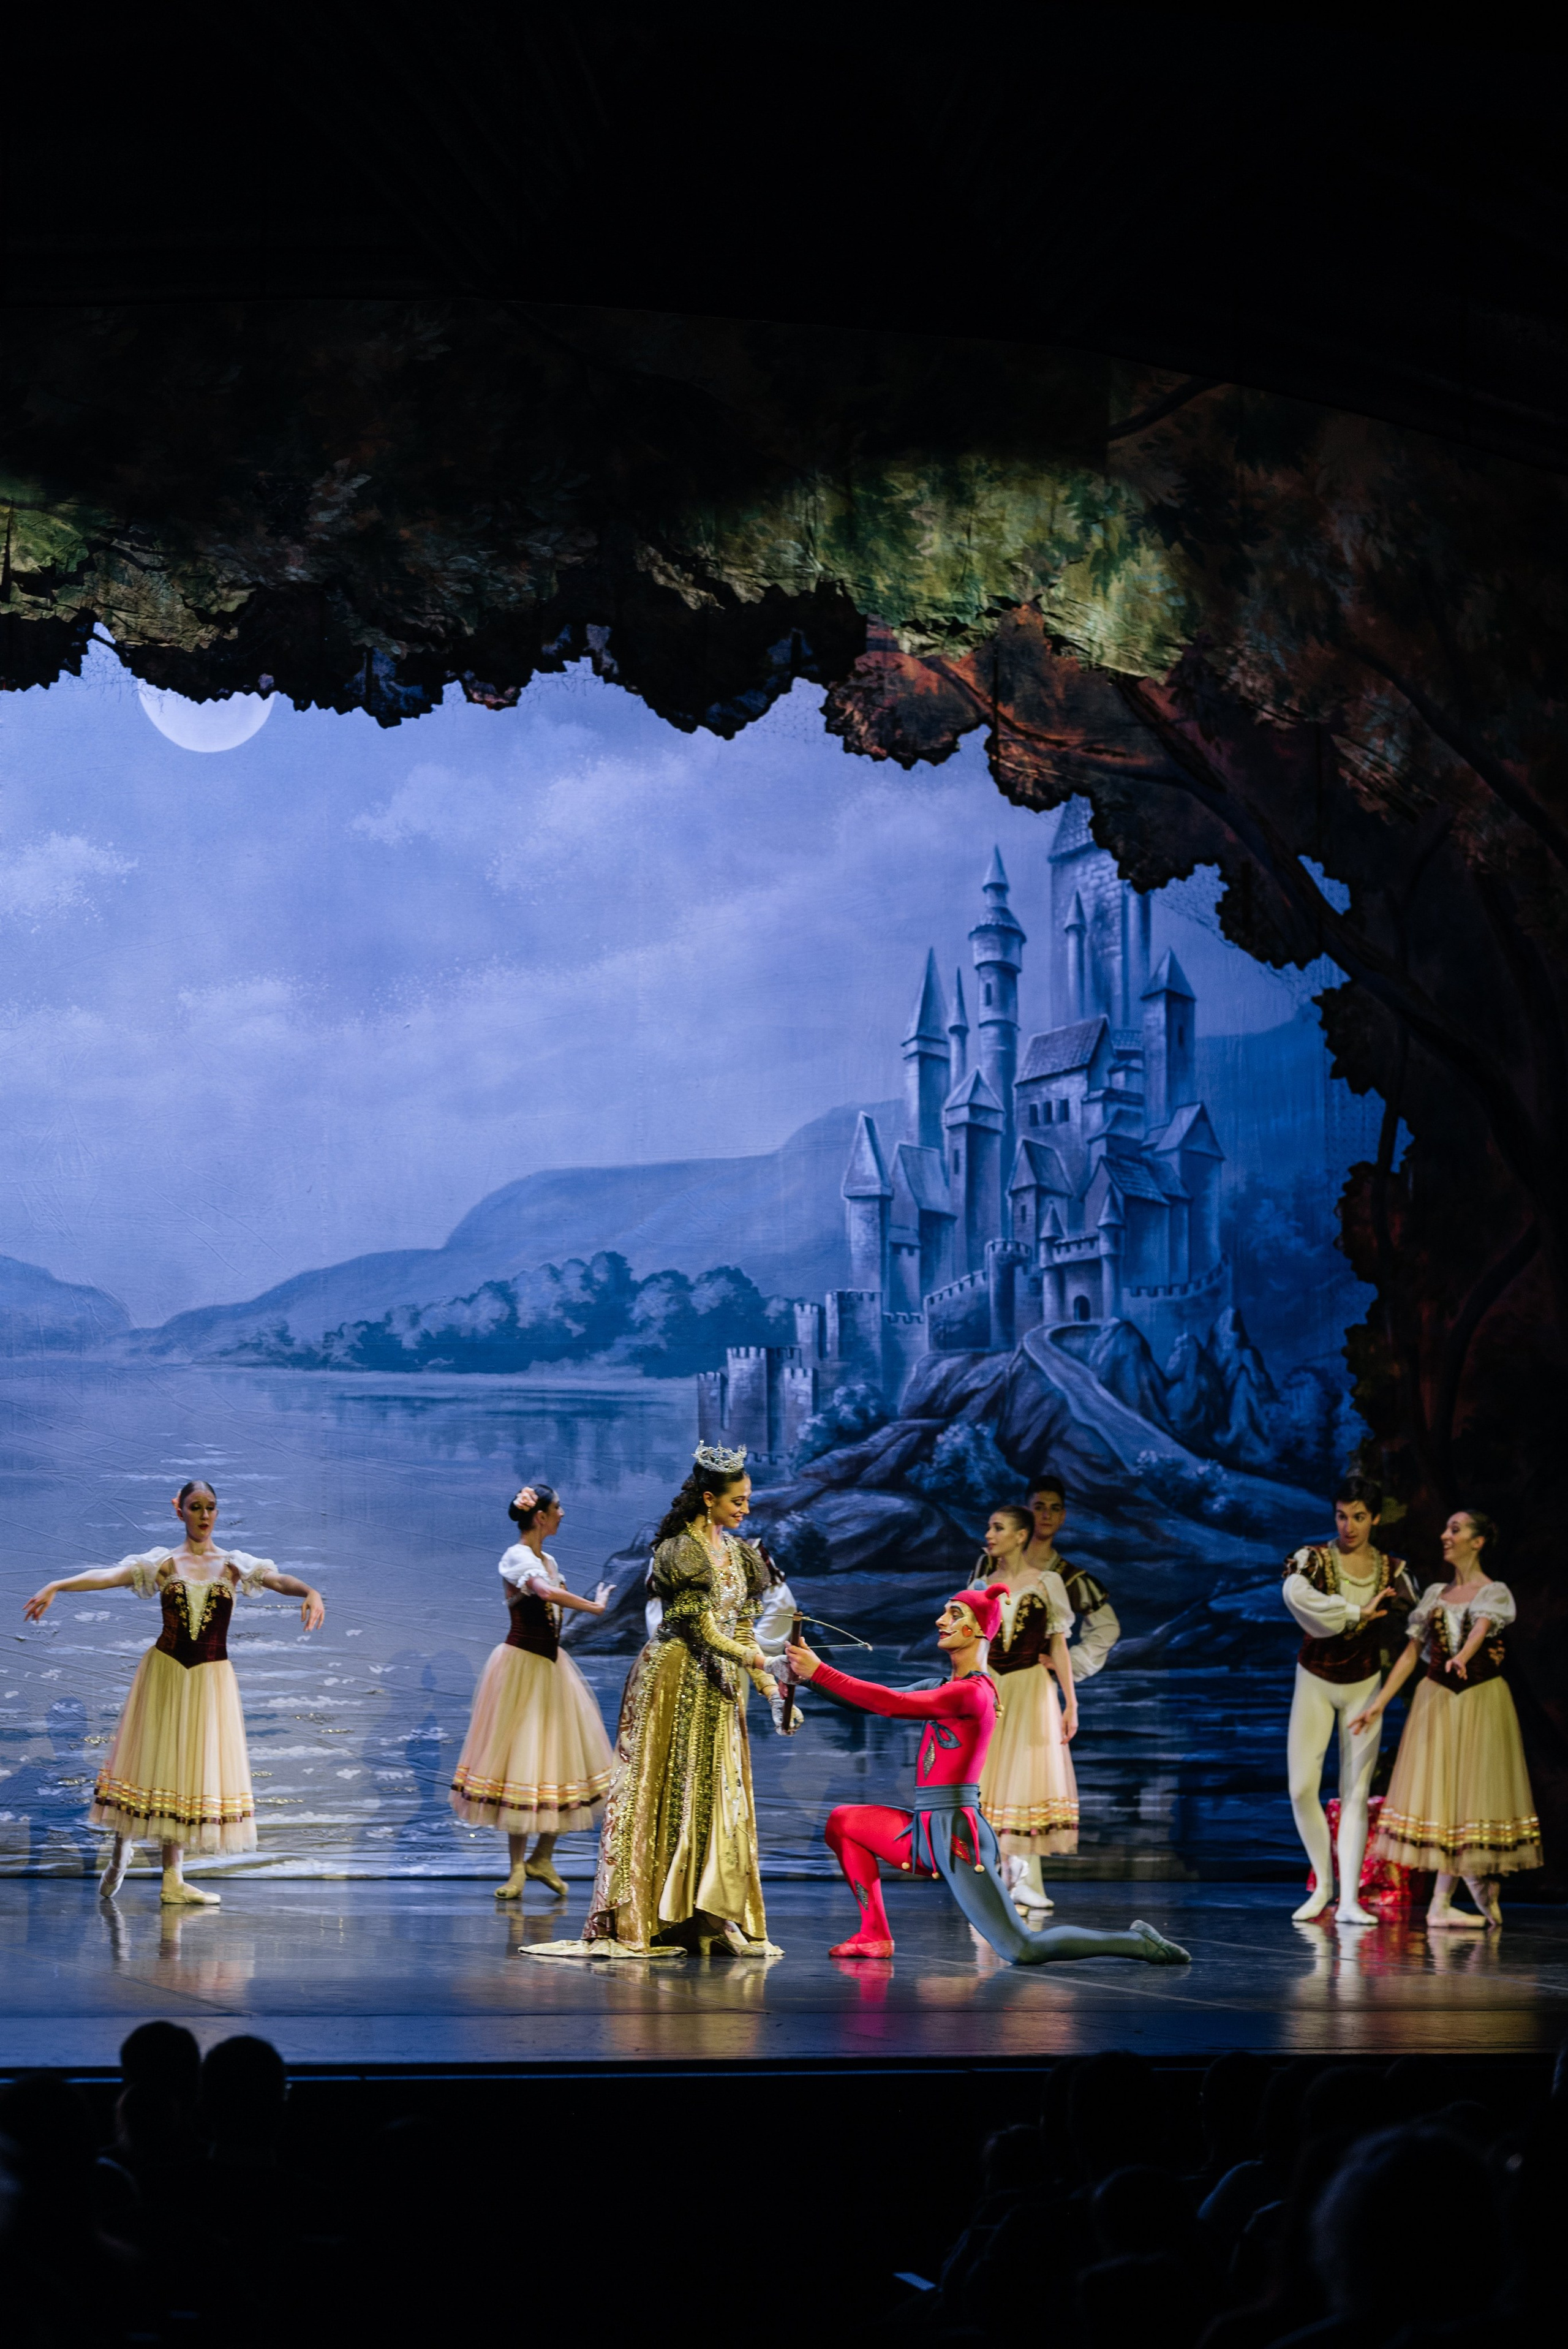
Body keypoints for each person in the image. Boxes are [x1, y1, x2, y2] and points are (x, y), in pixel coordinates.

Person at [784, 1586, 1188, 1966]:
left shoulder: (973, 1692)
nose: (940, 1620)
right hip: (925, 1828)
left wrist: (820, 1672)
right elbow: (869, 1702)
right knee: (844, 1822)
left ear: (977, 1629)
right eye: (944, 1612)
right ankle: (874, 1934)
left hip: (958, 1836)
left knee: (1021, 1948)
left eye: (954, 1614)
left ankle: (1137, 1941)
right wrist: (806, 1678)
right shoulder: (944, 1685)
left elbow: (893, 1703)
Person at [528, 1442, 783, 1959]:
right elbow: (699, 1628)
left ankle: (708, 1914)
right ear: (709, 1498)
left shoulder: (741, 1554)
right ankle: (650, 1915)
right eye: (738, 1500)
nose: (746, 1508)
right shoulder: (679, 1551)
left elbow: (740, 1628)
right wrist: (758, 1661)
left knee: (718, 1794)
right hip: (673, 1677)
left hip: (719, 1684)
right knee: (664, 1791)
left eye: (747, 1499)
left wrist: (772, 1689)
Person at [23, 1479, 323, 1905]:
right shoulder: (163, 1564)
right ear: (178, 1509)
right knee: (151, 1762)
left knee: (189, 1771)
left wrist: (310, 1591)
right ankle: (122, 1849)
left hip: (210, 1680)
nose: (204, 1515)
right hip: (165, 1673)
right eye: (195, 1506)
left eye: (211, 1506)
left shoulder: (234, 1565)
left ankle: (172, 1880)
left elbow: (278, 1580)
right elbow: (107, 1576)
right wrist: (57, 1585)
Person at [1350, 1507, 1541, 1926]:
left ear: (1478, 1541)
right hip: (1436, 1698)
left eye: (1455, 1529)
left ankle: (1470, 1878)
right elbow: (1410, 1655)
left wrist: (1463, 1657)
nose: (1445, 1535)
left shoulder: (1493, 1592)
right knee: (1441, 1792)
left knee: (1472, 1789)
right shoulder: (1436, 1594)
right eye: (1445, 1528)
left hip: (1480, 1699)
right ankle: (1442, 1902)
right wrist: (1378, 1704)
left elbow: (1481, 1627)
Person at [448, 1481, 614, 1899]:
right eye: (558, 1508)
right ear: (540, 1516)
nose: (563, 1514)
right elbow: (543, 1592)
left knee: (560, 1759)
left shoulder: (548, 1559)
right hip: (521, 1667)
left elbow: (553, 1601)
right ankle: (516, 1870)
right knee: (522, 1762)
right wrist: (594, 1607)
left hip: (551, 1668)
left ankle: (542, 1857)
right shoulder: (517, 1556)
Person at [1281, 1474, 1419, 1925]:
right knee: (1302, 1787)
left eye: (1359, 1517)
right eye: (1342, 1516)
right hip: (1316, 1678)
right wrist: (1355, 1611)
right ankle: (1323, 1884)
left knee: (1356, 1793)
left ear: (1374, 1518)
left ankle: (1350, 1901)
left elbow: (1419, 1628)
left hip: (1364, 1683)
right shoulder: (1314, 1560)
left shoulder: (1393, 1570)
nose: (1349, 1526)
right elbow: (1295, 1595)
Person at [976, 1503, 1079, 1920]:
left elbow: (1059, 1645)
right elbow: (973, 1645)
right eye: (989, 1527)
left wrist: (1071, 1702)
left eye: (998, 1527)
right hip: (992, 1686)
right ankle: (997, 1879)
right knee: (991, 1778)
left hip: (1032, 1687)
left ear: (1021, 1535)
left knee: (1025, 1776)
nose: (989, 1534)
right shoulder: (981, 1585)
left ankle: (1027, 1882)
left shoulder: (1046, 1582)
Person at [1029, 1475, 1121, 1681]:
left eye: (1054, 1509)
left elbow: (1107, 1627)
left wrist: (1069, 1662)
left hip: (1035, 1682)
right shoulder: (993, 1565)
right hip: (989, 1678)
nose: (1046, 1515)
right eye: (1039, 1507)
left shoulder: (1067, 1577)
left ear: (1062, 1516)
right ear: (1027, 1512)